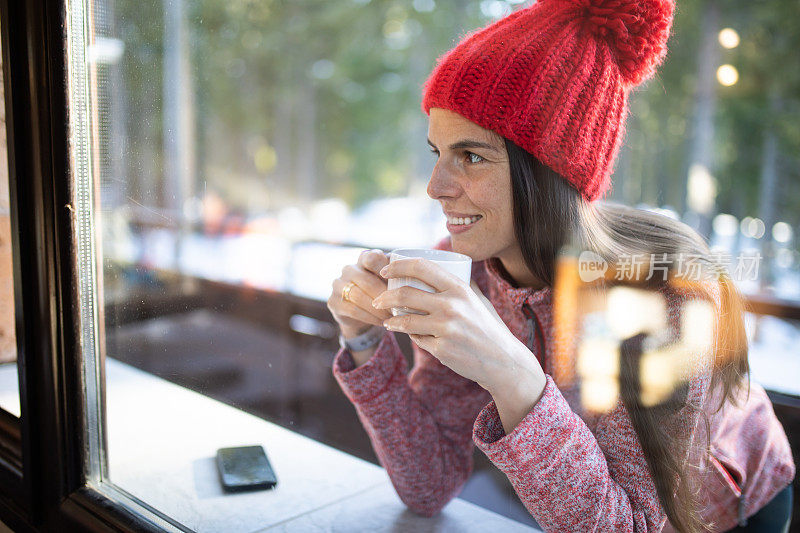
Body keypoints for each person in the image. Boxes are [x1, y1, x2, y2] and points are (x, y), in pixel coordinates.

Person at [326, 0, 796, 531]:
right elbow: (429, 483)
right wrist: (364, 342)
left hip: (731, 504)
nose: (436, 187)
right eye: (437, 151)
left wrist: (514, 378)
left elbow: (638, 525)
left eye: (471, 156)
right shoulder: (470, 272)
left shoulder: (665, 294)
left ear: (549, 172)